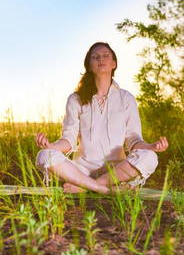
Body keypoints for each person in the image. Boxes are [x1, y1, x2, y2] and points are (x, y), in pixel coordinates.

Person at [35, 42, 169, 194]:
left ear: (114, 63)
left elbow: (134, 141)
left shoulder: (126, 98)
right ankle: (104, 189)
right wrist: (51, 146)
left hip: (117, 171)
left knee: (149, 157)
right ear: (89, 66)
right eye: (95, 57)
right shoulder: (75, 99)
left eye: (106, 56)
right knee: (44, 156)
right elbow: (68, 141)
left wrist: (152, 147)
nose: (101, 59)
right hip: (82, 170)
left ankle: (86, 187)